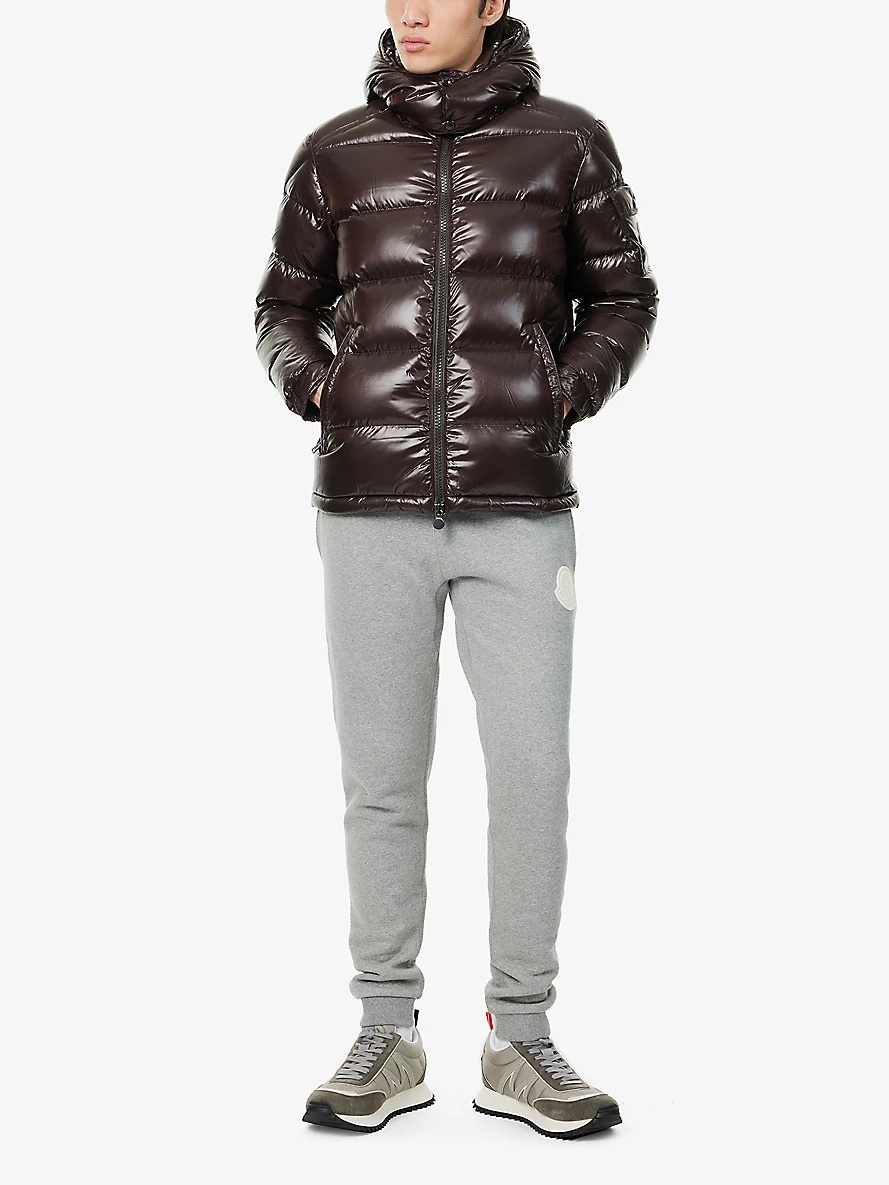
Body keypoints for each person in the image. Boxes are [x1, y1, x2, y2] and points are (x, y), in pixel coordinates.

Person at [254, 0, 658, 1139]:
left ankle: (519, 1039)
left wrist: (558, 393)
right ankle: (386, 1032)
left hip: (519, 509)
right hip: (367, 507)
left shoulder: (567, 141)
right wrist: (320, 387)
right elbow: (281, 305)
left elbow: (624, 296)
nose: (411, 11)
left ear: (493, 1)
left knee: (530, 774)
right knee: (381, 779)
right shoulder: (336, 151)